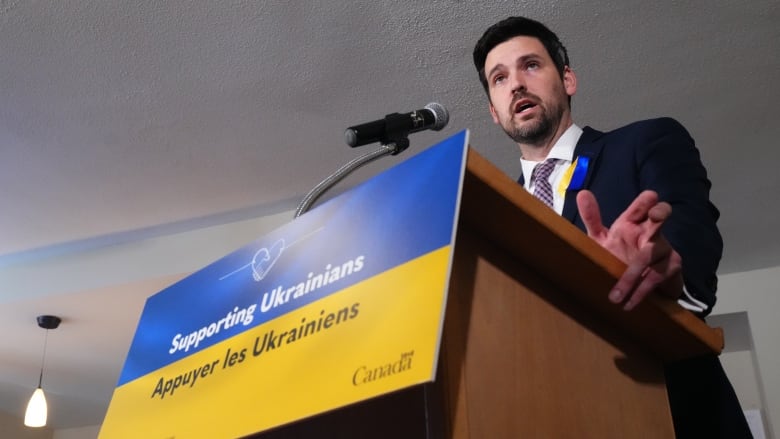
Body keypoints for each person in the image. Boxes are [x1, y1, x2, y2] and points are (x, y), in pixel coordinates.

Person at [473, 16, 752, 438]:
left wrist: (666, 268)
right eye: (499, 78)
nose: (516, 84)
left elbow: (689, 232)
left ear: (567, 79)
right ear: (494, 112)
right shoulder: (493, 219)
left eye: (531, 65)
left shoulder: (645, 143)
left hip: (672, 409)